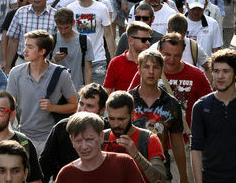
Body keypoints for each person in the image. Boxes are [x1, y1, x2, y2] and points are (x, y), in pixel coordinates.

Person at [191, 49, 236, 183]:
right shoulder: (201, 107)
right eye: (216, 71)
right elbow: (196, 149)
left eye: (226, 71)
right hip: (210, 178)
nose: (220, 76)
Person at [7, 30, 77, 153]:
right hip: (23, 137)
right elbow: (9, 107)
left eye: (30, 47)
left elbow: (74, 106)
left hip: (50, 139)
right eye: (25, 46)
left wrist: (53, 107)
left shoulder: (61, 74)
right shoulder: (15, 73)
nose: (25, 50)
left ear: (42, 51)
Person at [127, 49, 187, 183]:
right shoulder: (127, 100)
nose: (151, 72)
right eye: (146, 67)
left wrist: (183, 176)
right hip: (130, 167)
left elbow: (177, 141)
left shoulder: (171, 103)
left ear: (162, 71)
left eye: (155, 67)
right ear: (139, 69)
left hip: (160, 170)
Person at [39, 83, 108, 182]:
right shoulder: (62, 128)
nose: (83, 109)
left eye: (90, 106)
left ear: (102, 110)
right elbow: (45, 164)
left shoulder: (107, 129)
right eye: (81, 103)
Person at [55, 112, 144, 182]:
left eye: (89, 139)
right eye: (78, 141)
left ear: (101, 136)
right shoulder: (66, 175)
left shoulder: (124, 163)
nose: (84, 146)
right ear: (71, 141)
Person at [102, 91, 165, 183]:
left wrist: (136, 155)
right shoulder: (102, 138)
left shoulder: (149, 139)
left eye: (121, 119)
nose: (116, 124)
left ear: (132, 115)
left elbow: (160, 180)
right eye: (111, 119)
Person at [66, 0, 115, 83]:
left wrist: (113, 59)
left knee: (97, 92)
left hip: (98, 59)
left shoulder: (102, 8)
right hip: (76, 59)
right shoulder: (70, 8)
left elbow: (108, 35)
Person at [3, 0, 57, 74]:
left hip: (45, 64)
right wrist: (8, 66)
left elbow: (57, 42)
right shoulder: (21, 12)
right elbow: (13, 40)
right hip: (22, 62)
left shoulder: (55, 15)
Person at [49, 7, 93, 89]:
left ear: (73, 23)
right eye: (60, 28)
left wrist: (87, 90)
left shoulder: (84, 41)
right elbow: (44, 68)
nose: (63, 31)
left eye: (66, 27)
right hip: (56, 89)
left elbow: (87, 69)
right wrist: (54, 60)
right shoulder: (52, 40)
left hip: (77, 87)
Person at [104, 21, 152, 93]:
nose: (148, 43)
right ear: (131, 40)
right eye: (144, 40)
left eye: (149, 39)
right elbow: (107, 91)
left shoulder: (154, 62)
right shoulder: (116, 63)